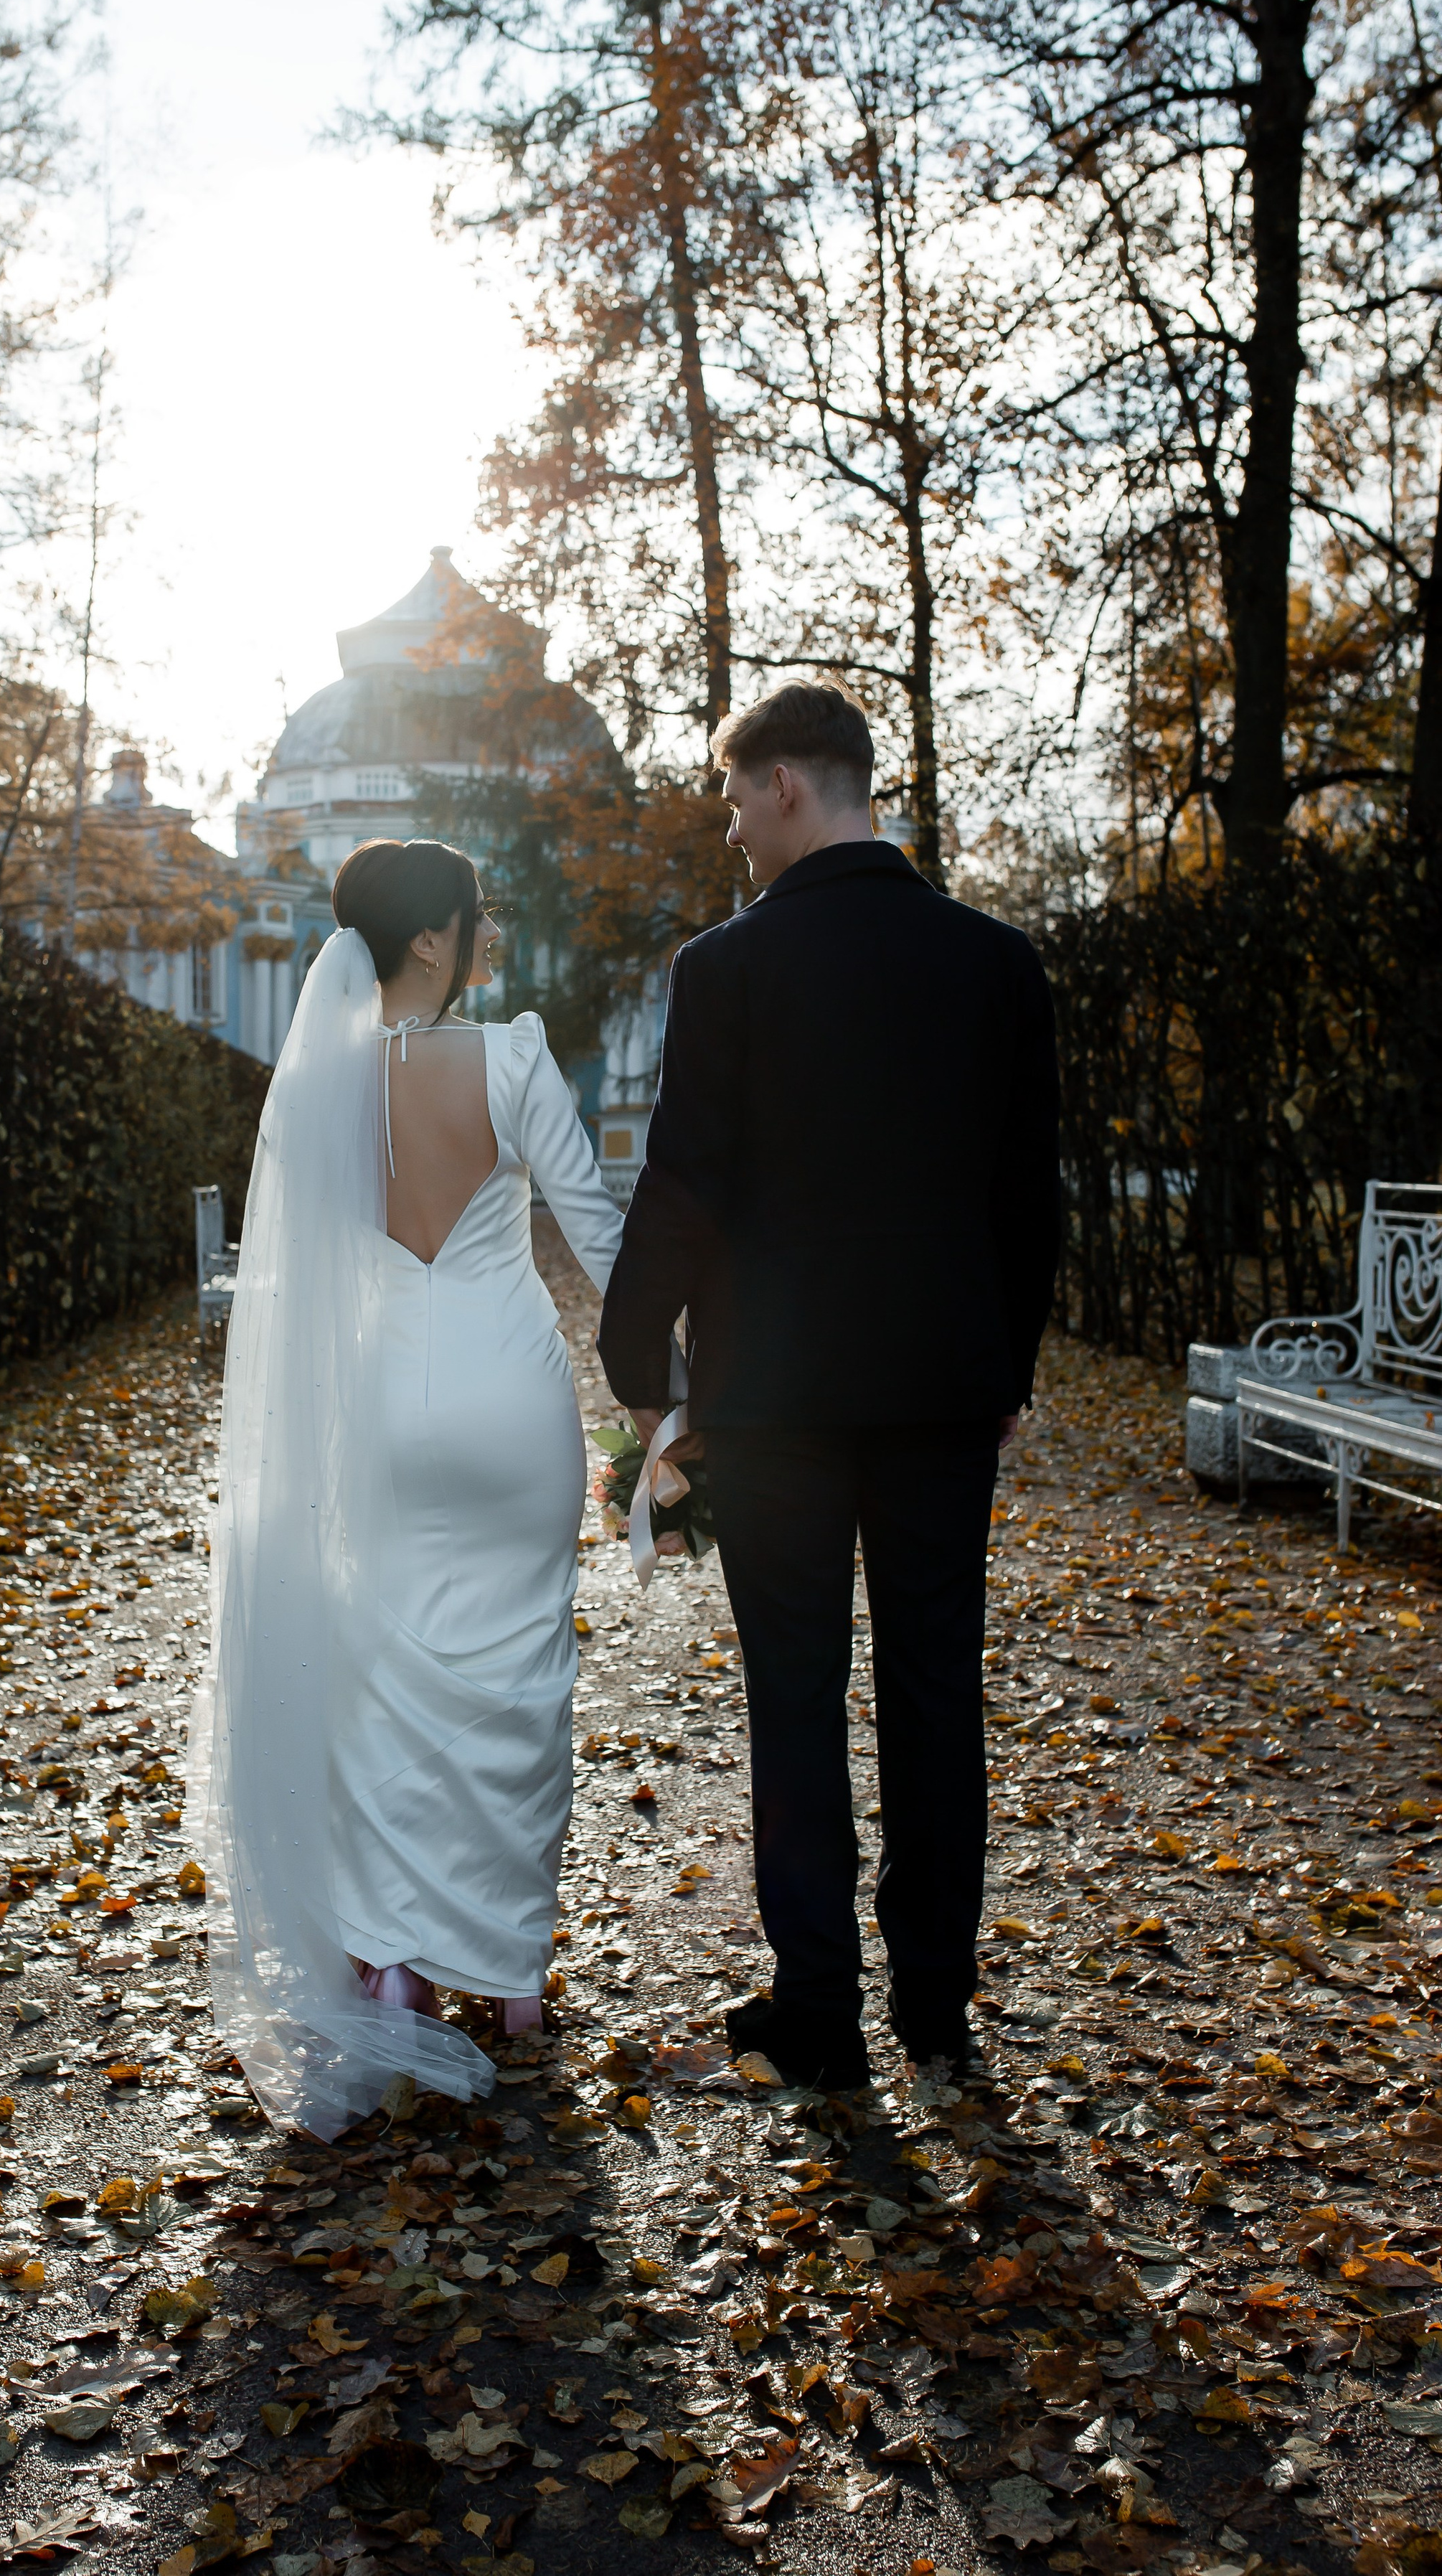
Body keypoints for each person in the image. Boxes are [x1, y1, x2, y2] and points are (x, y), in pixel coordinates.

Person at [598, 680, 1061, 2091]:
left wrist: (636, 1371)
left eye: (738, 800)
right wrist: (1004, 1368)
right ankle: (932, 2000)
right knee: (934, 1688)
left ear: (789, 786)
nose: (734, 831)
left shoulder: (724, 969)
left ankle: (816, 2005)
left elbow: (683, 1186)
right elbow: (1025, 1198)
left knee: (791, 1695)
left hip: (776, 1401)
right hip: (937, 1385)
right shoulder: (995, 964)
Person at [192, 837, 622, 2138]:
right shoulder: (512, 1059)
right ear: (431, 940)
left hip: (378, 1412)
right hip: (507, 1400)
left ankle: (391, 1960)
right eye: (471, 920)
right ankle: (511, 1971)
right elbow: (600, 1233)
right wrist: (671, 1399)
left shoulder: (313, 1091)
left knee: (383, 1684)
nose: (483, 935)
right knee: (519, 1677)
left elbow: (293, 1290)